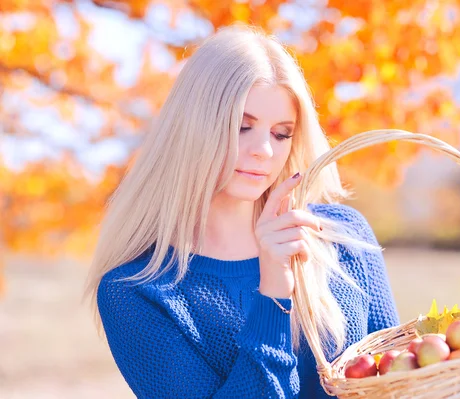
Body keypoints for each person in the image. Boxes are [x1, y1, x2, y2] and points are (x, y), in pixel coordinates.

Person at [82, 24, 399, 399]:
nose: (265, 150)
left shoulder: (343, 235)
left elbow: (397, 379)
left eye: (281, 133)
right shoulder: (136, 293)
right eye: (242, 126)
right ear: (194, 128)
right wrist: (275, 293)